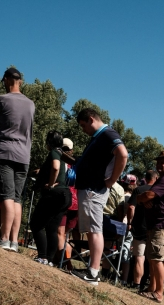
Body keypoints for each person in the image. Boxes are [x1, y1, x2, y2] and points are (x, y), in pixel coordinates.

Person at [75, 108, 128, 285]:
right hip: (91, 188)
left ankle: (93, 273)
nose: (83, 130)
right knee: (92, 230)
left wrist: (112, 180)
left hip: (94, 189)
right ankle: (93, 269)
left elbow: (123, 154)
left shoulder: (107, 134)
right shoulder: (101, 136)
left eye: (83, 125)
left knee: (94, 230)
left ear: (91, 120)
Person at [0, 67, 35, 252]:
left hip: (5, 151)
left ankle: (4, 238)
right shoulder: (30, 104)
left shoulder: (1, 99)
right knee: (16, 198)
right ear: (20, 81)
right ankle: (15, 241)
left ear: (7, 80)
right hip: (24, 156)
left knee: (6, 195)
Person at [137, 151, 164, 303]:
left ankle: (158, 292)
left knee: (156, 258)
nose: (159, 164)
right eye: (158, 162)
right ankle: (152, 289)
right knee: (154, 258)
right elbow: (149, 196)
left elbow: (147, 195)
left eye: (163, 162)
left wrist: (140, 198)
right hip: (159, 224)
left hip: (162, 224)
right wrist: (145, 198)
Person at [30, 131, 72, 266]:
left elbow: (55, 167)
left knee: (36, 224)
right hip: (65, 195)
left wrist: (50, 184)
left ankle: (42, 256)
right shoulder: (63, 154)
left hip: (54, 193)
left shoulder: (54, 152)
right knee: (51, 229)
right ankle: (49, 259)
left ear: (49, 142)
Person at [127, 170, 157, 291]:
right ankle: (149, 283)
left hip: (139, 226)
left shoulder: (138, 190)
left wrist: (130, 221)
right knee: (152, 259)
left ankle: (136, 283)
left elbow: (131, 207)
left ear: (145, 178)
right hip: (154, 227)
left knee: (139, 257)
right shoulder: (158, 192)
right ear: (156, 178)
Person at [56, 138, 79, 269]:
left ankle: (65, 262)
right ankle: (63, 260)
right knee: (66, 235)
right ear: (72, 150)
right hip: (76, 204)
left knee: (60, 233)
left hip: (64, 200)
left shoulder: (60, 162)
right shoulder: (78, 164)